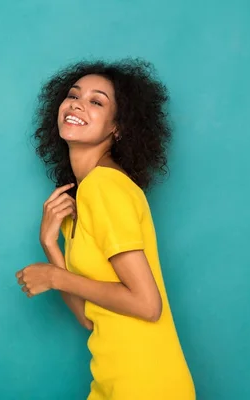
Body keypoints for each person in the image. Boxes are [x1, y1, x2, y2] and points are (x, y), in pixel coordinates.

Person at [15, 58, 195, 399]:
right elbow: (88, 317)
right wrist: (50, 245)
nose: (77, 104)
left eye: (97, 101)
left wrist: (54, 277)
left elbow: (146, 305)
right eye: (73, 95)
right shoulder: (83, 197)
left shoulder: (106, 187)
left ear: (118, 127)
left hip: (146, 384)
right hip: (112, 381)